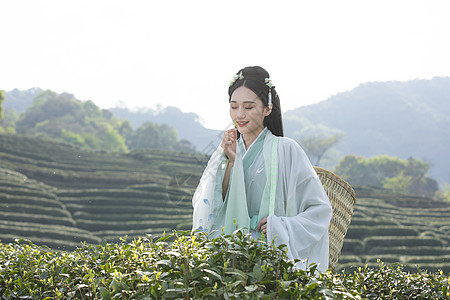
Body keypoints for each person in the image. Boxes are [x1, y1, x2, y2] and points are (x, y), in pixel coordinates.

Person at [192, 66, 332, 271]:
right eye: (234, 106)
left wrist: (281, 226)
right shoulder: (225, 151)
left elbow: (320, 210)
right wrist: (231, 161)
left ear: (267, 109)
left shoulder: (287, 150)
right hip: (230, 253)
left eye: (248, 107)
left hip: (268, 255)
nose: (239, 114)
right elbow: (214, 205)